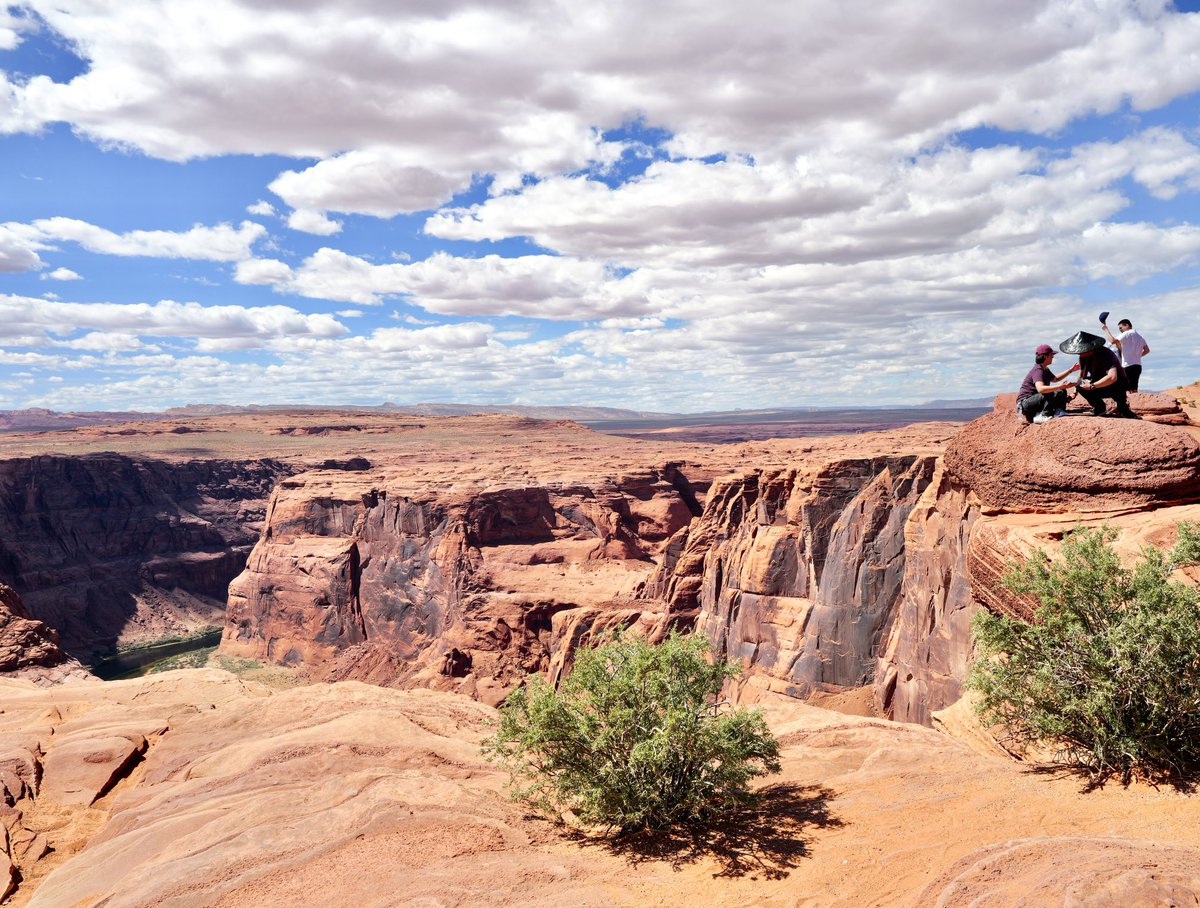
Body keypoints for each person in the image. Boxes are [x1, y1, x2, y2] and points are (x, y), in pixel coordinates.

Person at [1060, 330, 1137, 418]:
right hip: (1098, 384)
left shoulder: (1106, 354)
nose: (1080, 354)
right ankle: (1099, 407)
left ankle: (1123, 408)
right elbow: (1082, 375)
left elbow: (1112, 377)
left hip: (1116, 385)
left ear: (1089, 348)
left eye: (1082, 351)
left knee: (1121, 400)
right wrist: (1075, 392)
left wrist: (1092, 386)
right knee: (1080, 387)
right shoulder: (1083, 357)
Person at [1016, 343, 1079, 424]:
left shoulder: (1045, 369)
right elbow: (1041, 389)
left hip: (1033, 402)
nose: (1053, 357)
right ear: (1045, 356)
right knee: (1056, 391)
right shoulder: (1038, 370)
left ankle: (1058, 411)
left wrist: (1071, 370)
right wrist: (1060, 386)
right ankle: (1043, 415)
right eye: (1051, 355)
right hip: (1025, 404)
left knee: (1062, 391)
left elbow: (1055, 379)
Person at [1100, 316, 1150, 391]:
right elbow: (1147, 350)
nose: (1120, 330)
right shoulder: (1140, 337)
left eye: (1121, 328)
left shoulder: (1126, 334)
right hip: (1138, 366)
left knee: (1125, 390)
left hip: (1128, 366)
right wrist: (1136, 356)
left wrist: (1105, 329)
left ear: (1127, 325)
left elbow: (1113, 341)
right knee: (1133, 389)